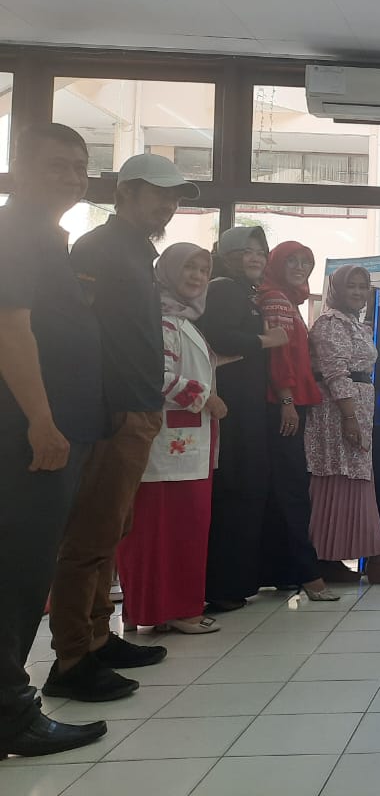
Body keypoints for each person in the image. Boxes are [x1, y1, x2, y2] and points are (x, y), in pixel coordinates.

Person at [46, 153, 199, 703]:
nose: (169, 205)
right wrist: (105, 405)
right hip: (111, 410)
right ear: (125, 192)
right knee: (90, 534)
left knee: (111, 530)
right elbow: (76, 331)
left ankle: (97, 638)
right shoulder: (99, 248)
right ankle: (71, 659)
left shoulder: (136, 251)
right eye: (159, 193)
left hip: (137, 407)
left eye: (175, 197)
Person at [0, 124, 109, 757]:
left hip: (54, 430)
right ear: (18, 169)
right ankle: (10, 714)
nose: (71, 178)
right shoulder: (15, 231)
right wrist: (41, 420)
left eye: (79, 167)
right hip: (28, 435)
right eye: (55, 166)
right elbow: (9, 327)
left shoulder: (42, 234)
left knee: (25, 571)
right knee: (17, 574)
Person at [116, 244, 227, 636]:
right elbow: (153, 375)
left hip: (184, 447)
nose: (197, 276)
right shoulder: (162, 320)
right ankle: (172, 609)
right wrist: (205, 397)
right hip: (168, 446)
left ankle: (157, 608)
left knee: (176, 528)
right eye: (188, 268)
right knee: (165, 529)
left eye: (203, 269)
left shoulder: (183, 320)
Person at [196, 227, 288, 612]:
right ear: (226, 255)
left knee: (248, 489)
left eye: (260, 252)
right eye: (246, 251)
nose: (255, 258)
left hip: (245, 405)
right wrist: (267, 340)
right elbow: (220, 337)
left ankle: (236, 582)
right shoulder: (223, 289)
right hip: (230, 408)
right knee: (235, 490)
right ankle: (224, 586)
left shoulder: (242, 293)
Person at [307, 265, 380, 584]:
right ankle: (372, 559)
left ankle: (331, 558)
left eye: (362, 286)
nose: (357, 292)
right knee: (338, 480)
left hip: (355, 411)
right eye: (350, 286)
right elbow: (335, 373)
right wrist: (349, 417)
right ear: (336, 290)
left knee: (353, 482)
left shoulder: (353, 324)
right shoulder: (330, 323)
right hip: (337, 414)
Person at [256, 242, 334, 601]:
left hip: (289, 402)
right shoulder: (276, 299)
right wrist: (287, 400)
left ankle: (283, 571)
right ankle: (308, 574)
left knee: (281, 489)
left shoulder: (287, 300)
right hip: (283, 404)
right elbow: (280, 356)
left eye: (306, 262)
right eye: (292, 260)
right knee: (292, 489)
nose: (300, 267)